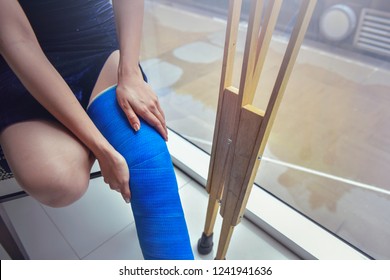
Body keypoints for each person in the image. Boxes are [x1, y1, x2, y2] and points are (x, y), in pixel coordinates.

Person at [0, 0, 194, 260]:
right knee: (58, 182)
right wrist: (101, 147)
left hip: (91, 40)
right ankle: (88, 122)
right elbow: (18, 41)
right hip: (20, 61)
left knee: (151, 166)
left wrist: (130, 73)